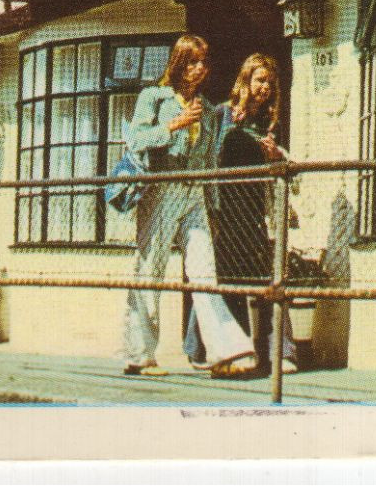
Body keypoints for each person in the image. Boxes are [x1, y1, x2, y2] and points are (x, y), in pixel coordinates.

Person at [120, 35, 256, 379]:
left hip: (194, 191)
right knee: (150, 269)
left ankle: (224, 353)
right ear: (178, 64)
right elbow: (135, 140)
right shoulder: (155, 97)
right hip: (162, 188)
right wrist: (174, 124)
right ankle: (140, 354)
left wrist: (213, 205)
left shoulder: (208, 110)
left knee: (204, 271)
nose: (199, 69)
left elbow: (210, 160)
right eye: (192, 62)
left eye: (203, 62)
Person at [185, 55, 299, 375]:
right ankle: (201, 348)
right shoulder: (222, 113)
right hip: (223, 209)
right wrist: (231, 126)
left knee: (265, 276)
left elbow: (289, 165)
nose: (264, 88)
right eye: (259, 80)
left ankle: (278, 351)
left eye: (269, 83)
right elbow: (208, 154)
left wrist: (277, 156)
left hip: (255, 211)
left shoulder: (271, 122)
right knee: (218, 276)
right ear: (246, 81)